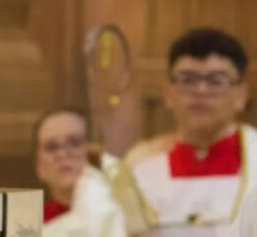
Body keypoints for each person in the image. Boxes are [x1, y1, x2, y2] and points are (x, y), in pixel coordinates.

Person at [108, 28, 256, 235]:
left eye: (216, 80)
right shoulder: (138, 166)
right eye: (188, 79)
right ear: (168, 93)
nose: (201, 91)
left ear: (241, 95)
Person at [34, 108, 126, 236]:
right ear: (38, 164)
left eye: (74, 142)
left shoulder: (126, 213)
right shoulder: (29, 225)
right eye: (51, 147)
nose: (62, 153)